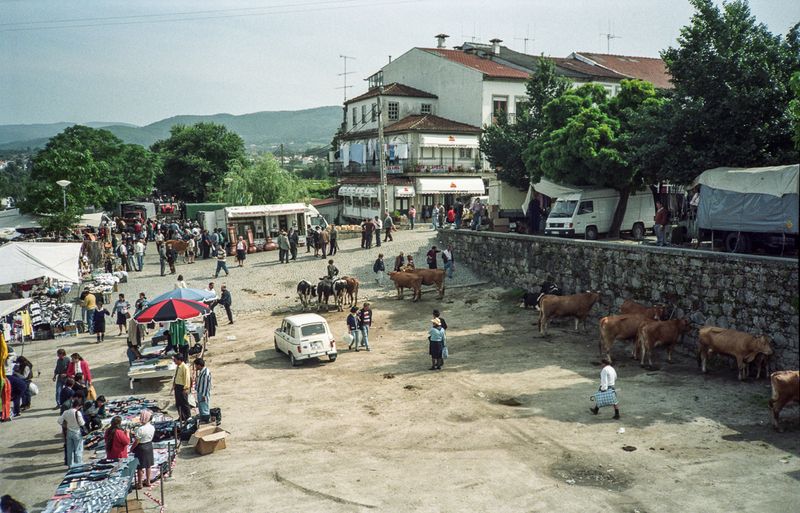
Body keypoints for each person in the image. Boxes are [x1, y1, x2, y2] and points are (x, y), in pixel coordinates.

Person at [131, 409, 155, 489]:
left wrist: (132, 448)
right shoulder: (152, 427)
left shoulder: (140, 429)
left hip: (141, 447)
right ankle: (148, 481)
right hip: (149, 446)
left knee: (140, 466)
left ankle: (140, 483)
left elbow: (137, 441)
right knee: (148, 465)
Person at [59, 398, 86, 467]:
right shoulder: (78, 413)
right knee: (78, 450)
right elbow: (82, 423)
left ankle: (70, 465)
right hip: (77, 432)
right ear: (78, 406)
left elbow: (59, 421)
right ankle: (78, 465)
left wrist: (66, 425)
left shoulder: (66, 412)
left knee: (69, 450)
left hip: (69, 432)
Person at [171, 354, 191, 421]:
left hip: (182, 387)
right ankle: (181, 416)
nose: (174, 361)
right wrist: (174, 384)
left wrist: (185, 388)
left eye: (175, 360)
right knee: (178, 403)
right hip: (177, 386)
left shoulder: (184, 367)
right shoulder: (178, 366)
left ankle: (188, 417)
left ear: (179, 360)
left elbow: (187, 378)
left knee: (184, 403)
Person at [194, 358, 212, 422]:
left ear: (199, 365)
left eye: (196, 365)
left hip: (203, 393)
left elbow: (206, 385)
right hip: (200, 392)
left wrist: (204, 395)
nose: (195, 367)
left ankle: (206, 421)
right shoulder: (202, 372)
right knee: (201, 408)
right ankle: (203, 420)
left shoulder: (205, 373)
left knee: (204, 409)